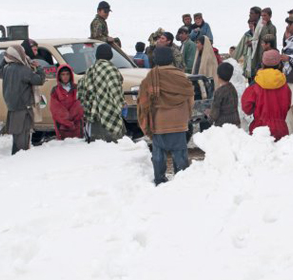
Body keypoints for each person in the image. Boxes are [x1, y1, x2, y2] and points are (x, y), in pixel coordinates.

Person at [137, 46, 194, 186]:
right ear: (171, 59)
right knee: (180, 153)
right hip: (179, 122)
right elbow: (190, 99)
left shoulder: (151, 77)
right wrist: (185, 115)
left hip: (159, 122)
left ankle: (160, 179)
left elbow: (143, 102)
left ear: (155, 59)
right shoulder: (181, 76)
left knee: (158, 154)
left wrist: (146, 119)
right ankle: (182, 180)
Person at [0, 45, 46, 154]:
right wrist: (39, 68)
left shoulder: (6, 69)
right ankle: (20, 162)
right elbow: (39, 80)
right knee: (23, 139)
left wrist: (5, 58)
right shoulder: (23, 70)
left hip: (12, 108)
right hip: (23, 109)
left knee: (16, 137)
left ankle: (15, 158)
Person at [77, 44, 126, 142]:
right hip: (110, 114)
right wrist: (122, 105)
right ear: (110, 55)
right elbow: (115, 92)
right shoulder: (111, 69)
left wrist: (88, 109)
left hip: (94, 117)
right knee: (114, 145)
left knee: (98, 147)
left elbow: (81, 91)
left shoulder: (90, 70)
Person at [242, 50, 291, 141]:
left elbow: (246, 108)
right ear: (279, 65)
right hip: (281, 129)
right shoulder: (285, 85)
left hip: (260, 129)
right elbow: (287, 105)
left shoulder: (255, 84)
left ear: (262, 64)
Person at [50, 65, 84, 140]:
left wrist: (72, 120)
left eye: (67, 74)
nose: (65, 76)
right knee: (64, 148)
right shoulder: (55, 90)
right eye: (63, 74)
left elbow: (80, 105)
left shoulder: (77, 88)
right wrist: (67, 122)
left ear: (71, 75)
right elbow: (55, 109)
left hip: (77, 126)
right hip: (62, 127)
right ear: (59, 76)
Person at [207, 63, 241, 127]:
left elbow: (215, 113)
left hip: (223, 126)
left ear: (218, 76)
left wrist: (209, 116)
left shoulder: (219, 92)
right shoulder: (232, 88)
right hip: (235, 123)